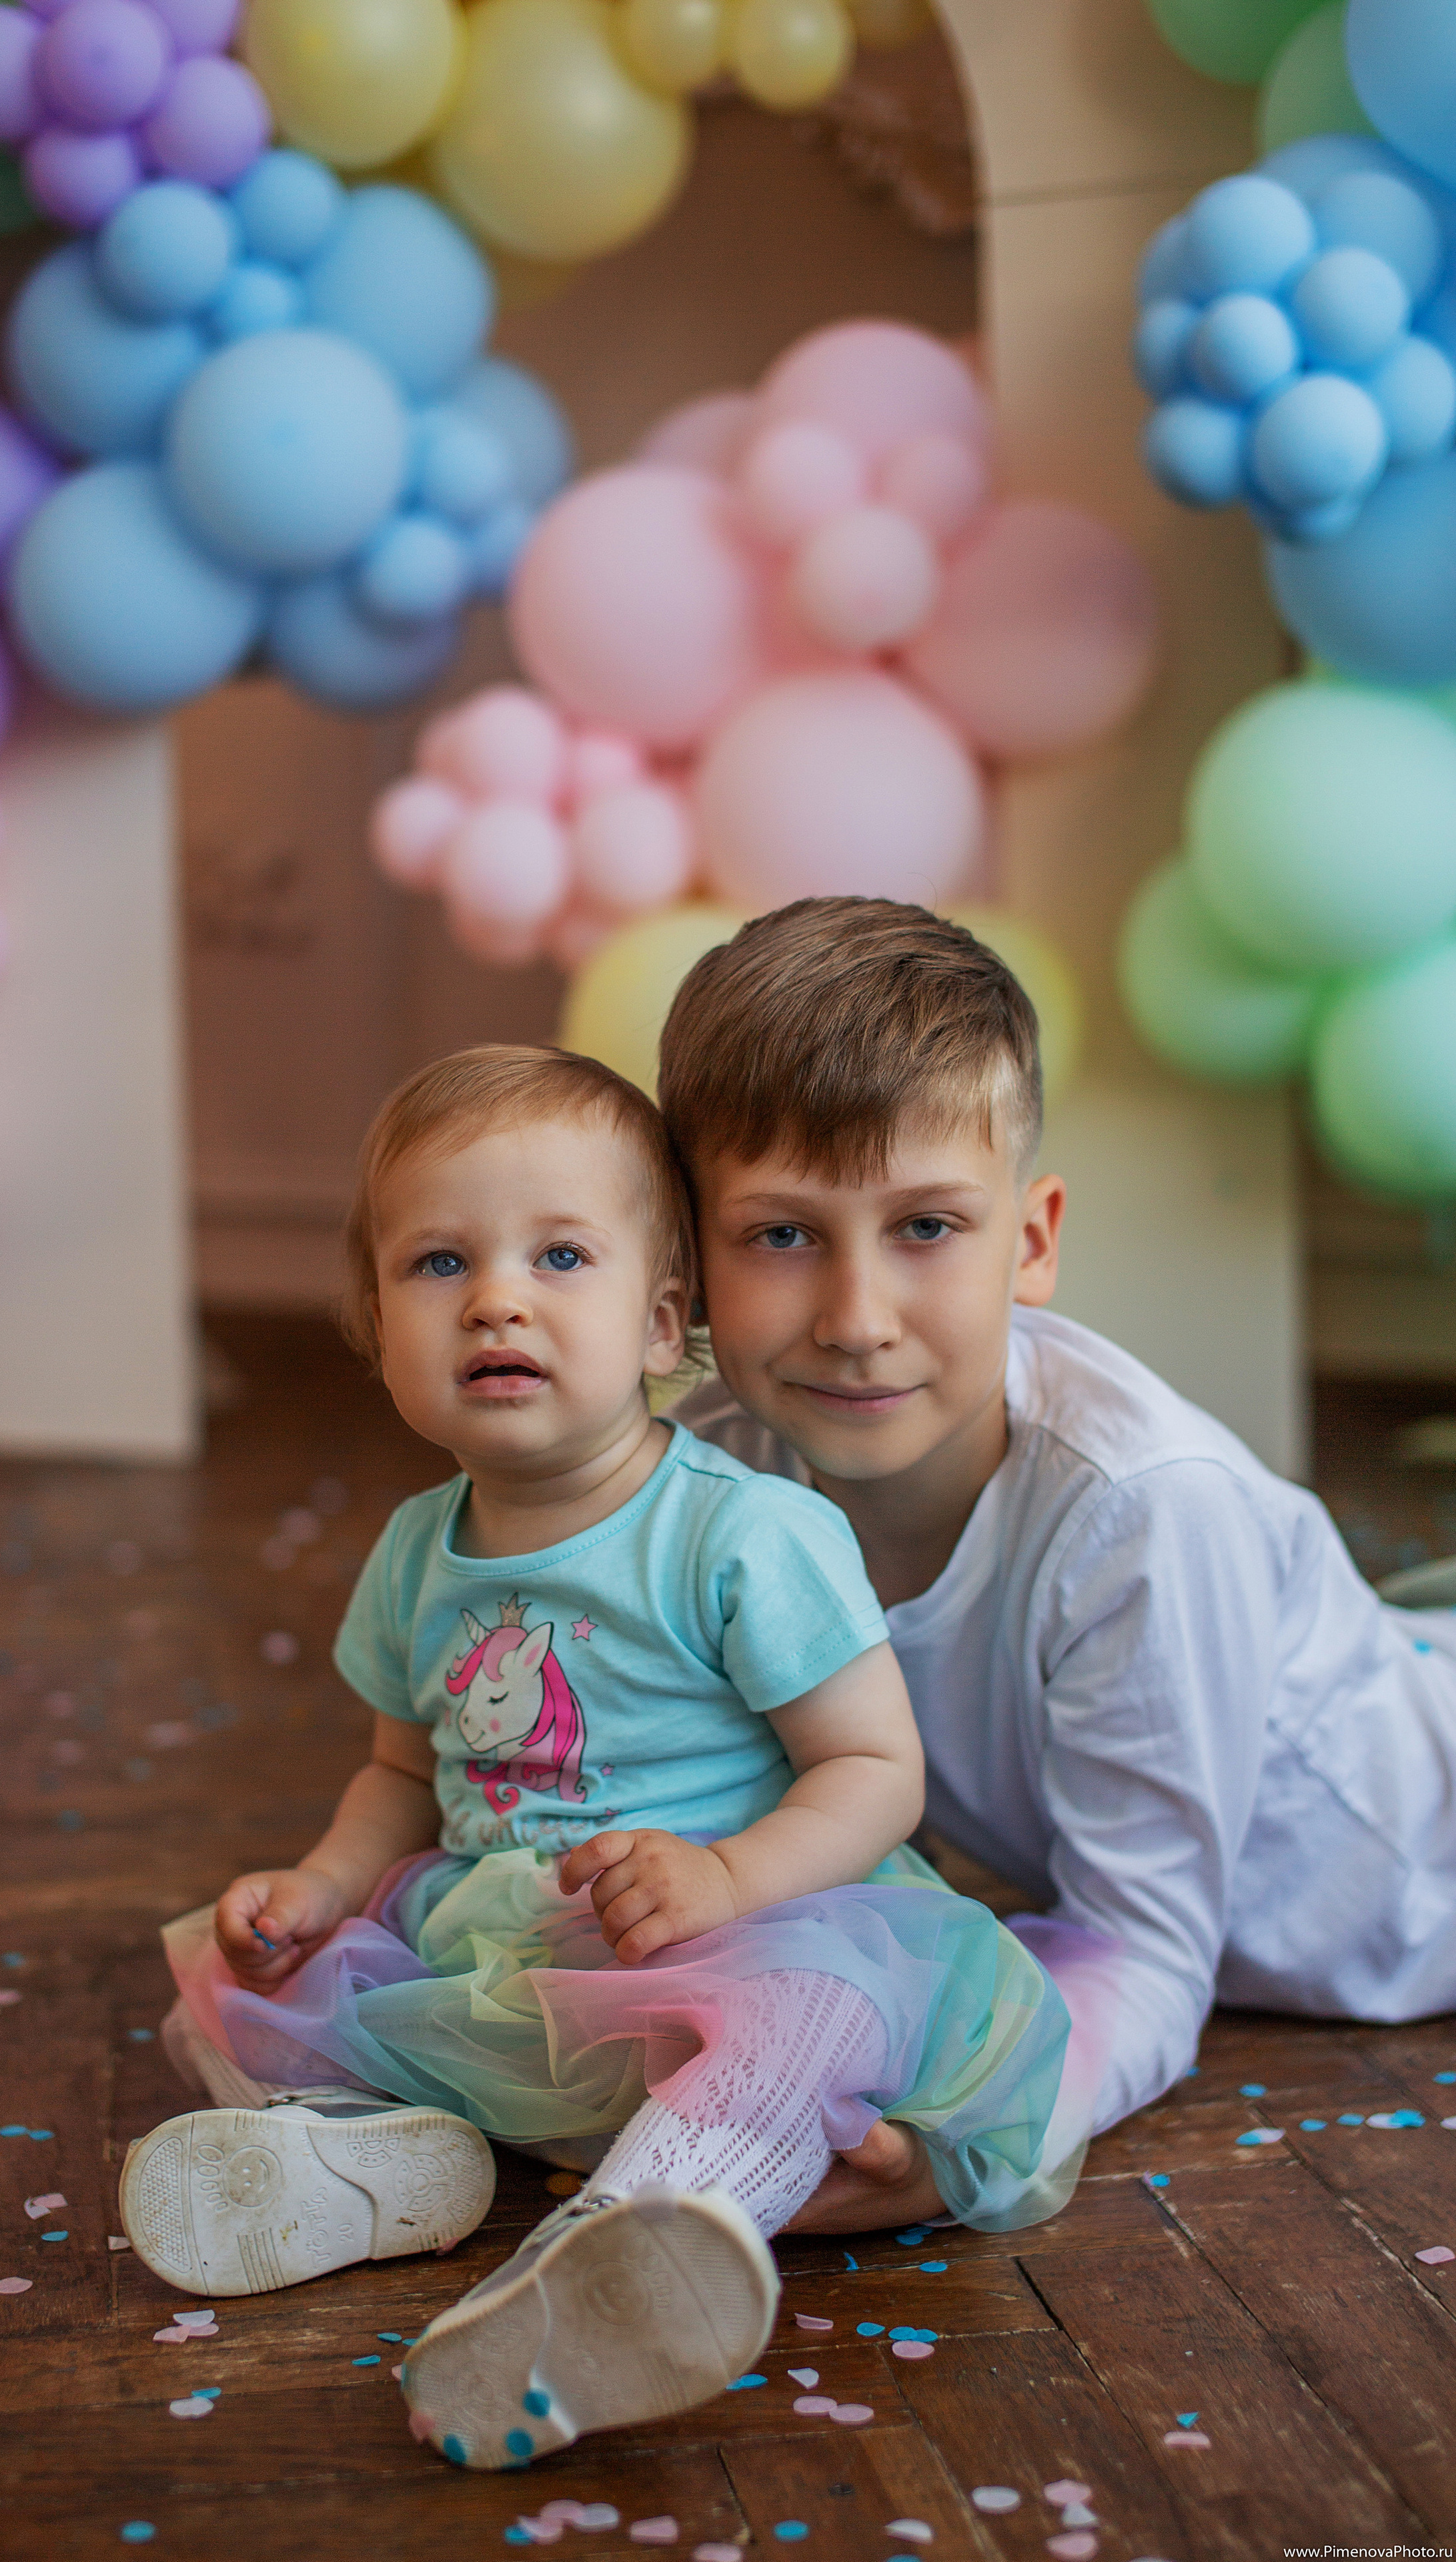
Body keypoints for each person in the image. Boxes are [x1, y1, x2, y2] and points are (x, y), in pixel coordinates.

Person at [120, 1043, 1091, 2471]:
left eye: (558, 1256)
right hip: (506, 1959)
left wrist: (723, 1875)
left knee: (805, 2014)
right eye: (438, 1263)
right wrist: (323, 1886)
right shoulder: (412, 1554)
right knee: (221, 1983)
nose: (496, 1297)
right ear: (375, 1323)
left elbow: (874, 1771)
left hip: (745, 1930)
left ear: (659, 1323)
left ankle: (627, 2248)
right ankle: (377, 2170)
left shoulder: (734, 1532)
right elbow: (402, 1774)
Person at [659, 895, 1456, 2236]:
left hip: (1413, 1875)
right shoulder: (708, 1476)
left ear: (1028, 1242)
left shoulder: (1137, 1515)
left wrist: (971, 2131)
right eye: (781, 1235)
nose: (855, 1323)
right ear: (687, 1252)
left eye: (924, 1228)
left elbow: (1141, 1954)